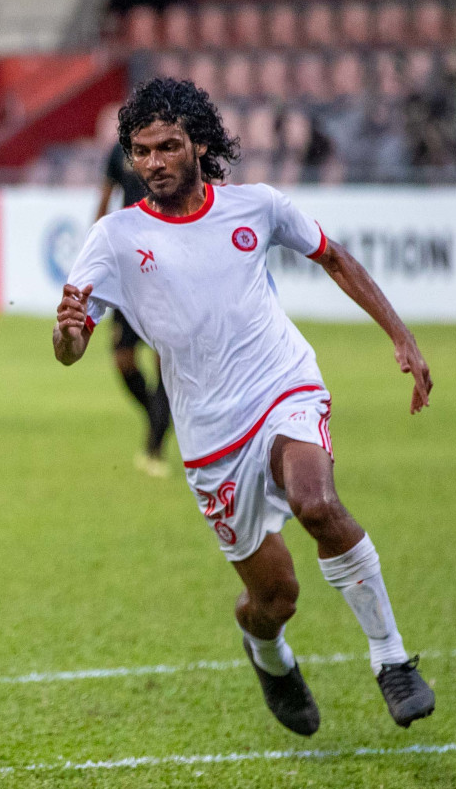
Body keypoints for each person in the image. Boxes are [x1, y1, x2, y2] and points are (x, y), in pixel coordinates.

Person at [54, 78, 435, 736]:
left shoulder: (256, 207)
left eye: (168, 146)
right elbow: (71, 346)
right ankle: (268, 653)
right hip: (209, 435)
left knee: (318, 504)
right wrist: (66, 332)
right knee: (273, 598)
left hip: (281, 384)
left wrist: (400, 336)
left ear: (199, 143)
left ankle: (392, 658)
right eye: (141, 151)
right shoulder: (113, 238)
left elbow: (334, 258)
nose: (154, 162)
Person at [95, 139, 173, 476]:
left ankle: (154, 448)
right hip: (129, 267)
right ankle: (156, 415)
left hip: (168, 264)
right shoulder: (119, 151)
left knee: (164, 362)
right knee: (123, 358)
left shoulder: (174, 147)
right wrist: (95, 246)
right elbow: (105, 196)